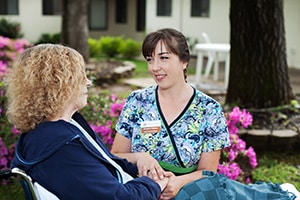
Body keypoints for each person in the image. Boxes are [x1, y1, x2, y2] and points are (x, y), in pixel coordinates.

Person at [111, 28, 300, 200]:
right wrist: (141, 157)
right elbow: (117, 155)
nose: (154, 67)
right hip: (142, 188)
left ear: (184, 61)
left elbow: (207, 171)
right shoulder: (137, 101)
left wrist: (177, 183)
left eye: (164, 58)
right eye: (150, 59)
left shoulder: (208, 109)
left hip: (190, 188)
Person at [6, 44, 171, 200]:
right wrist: (156, 184)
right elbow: (121, 198)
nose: (88, 82)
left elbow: (104, 166)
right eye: (80, 76)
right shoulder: (60, 145)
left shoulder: (62, 125)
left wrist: (140, 163)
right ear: (60, 84)